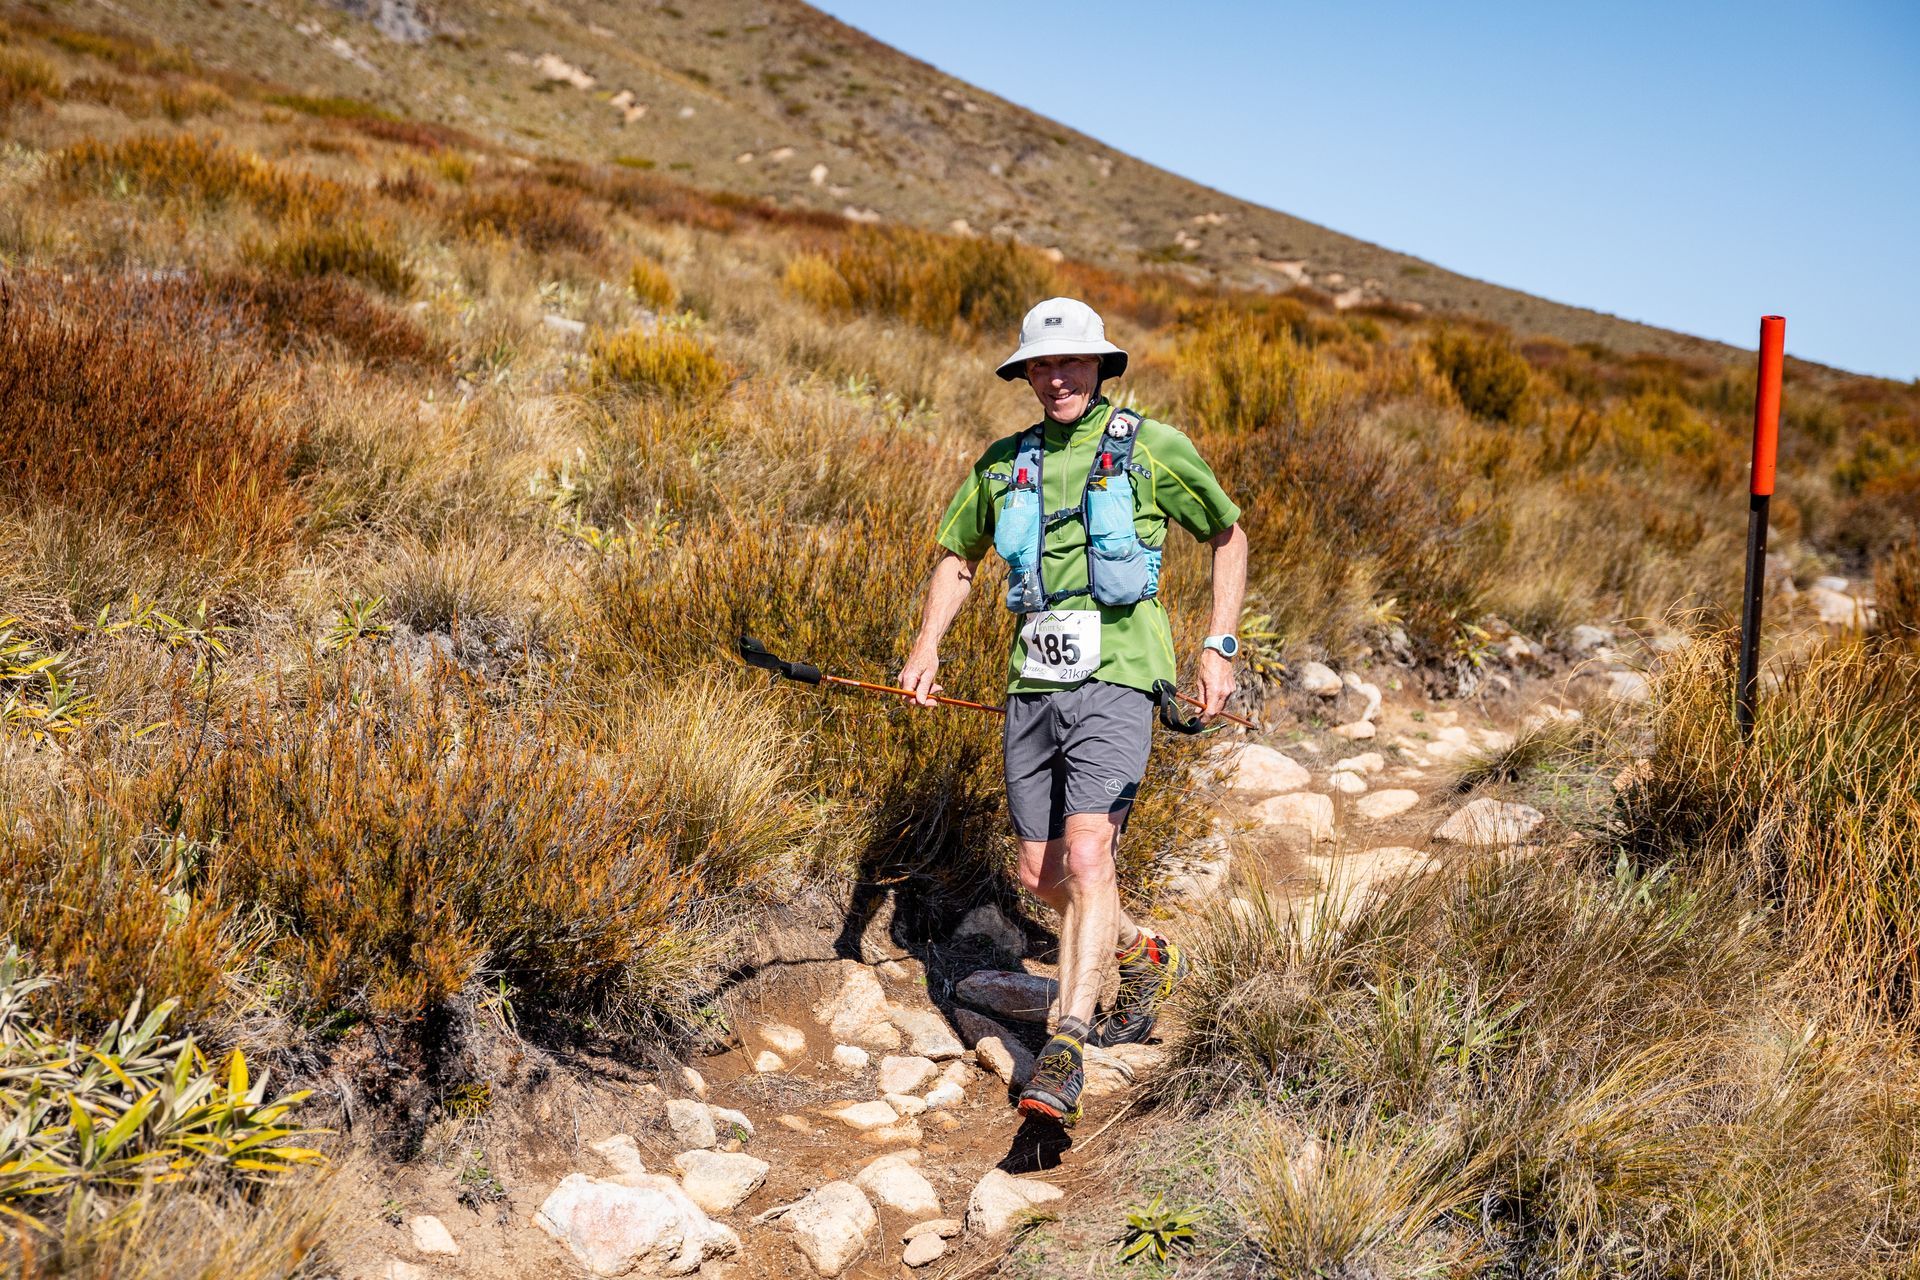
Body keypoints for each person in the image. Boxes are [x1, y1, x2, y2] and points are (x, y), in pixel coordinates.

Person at [898, 296, 1248, 1125]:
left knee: (1090, 854)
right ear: (1025, 374)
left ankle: (1068, 1043)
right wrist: (927, 647)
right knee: (1042, 875)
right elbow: (957, 558)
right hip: (1032, 685)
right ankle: (1139, 950)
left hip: (1123, 674)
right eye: (1042, 365)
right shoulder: (1001, 464)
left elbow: (1227, 534)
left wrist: (1219, 645)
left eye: (1072, 362)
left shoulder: (1150, 448)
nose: (1056, 377)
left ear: (1099, 367)